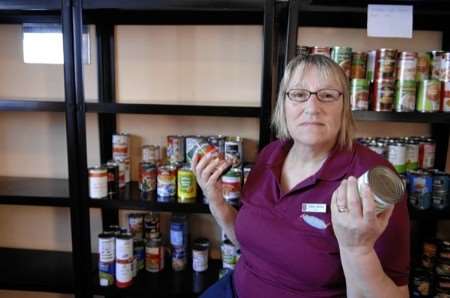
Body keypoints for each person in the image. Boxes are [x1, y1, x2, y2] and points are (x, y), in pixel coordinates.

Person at [192, 54, 409, 298]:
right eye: (298, 94)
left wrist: (358, 250)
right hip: (236, 288)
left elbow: (397, 293)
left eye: (327, 95)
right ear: (283, 105)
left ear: (345, 107)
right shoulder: (270, 155)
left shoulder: (373, 180)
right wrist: (216, 201)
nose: (312, 108)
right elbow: (252, 244)